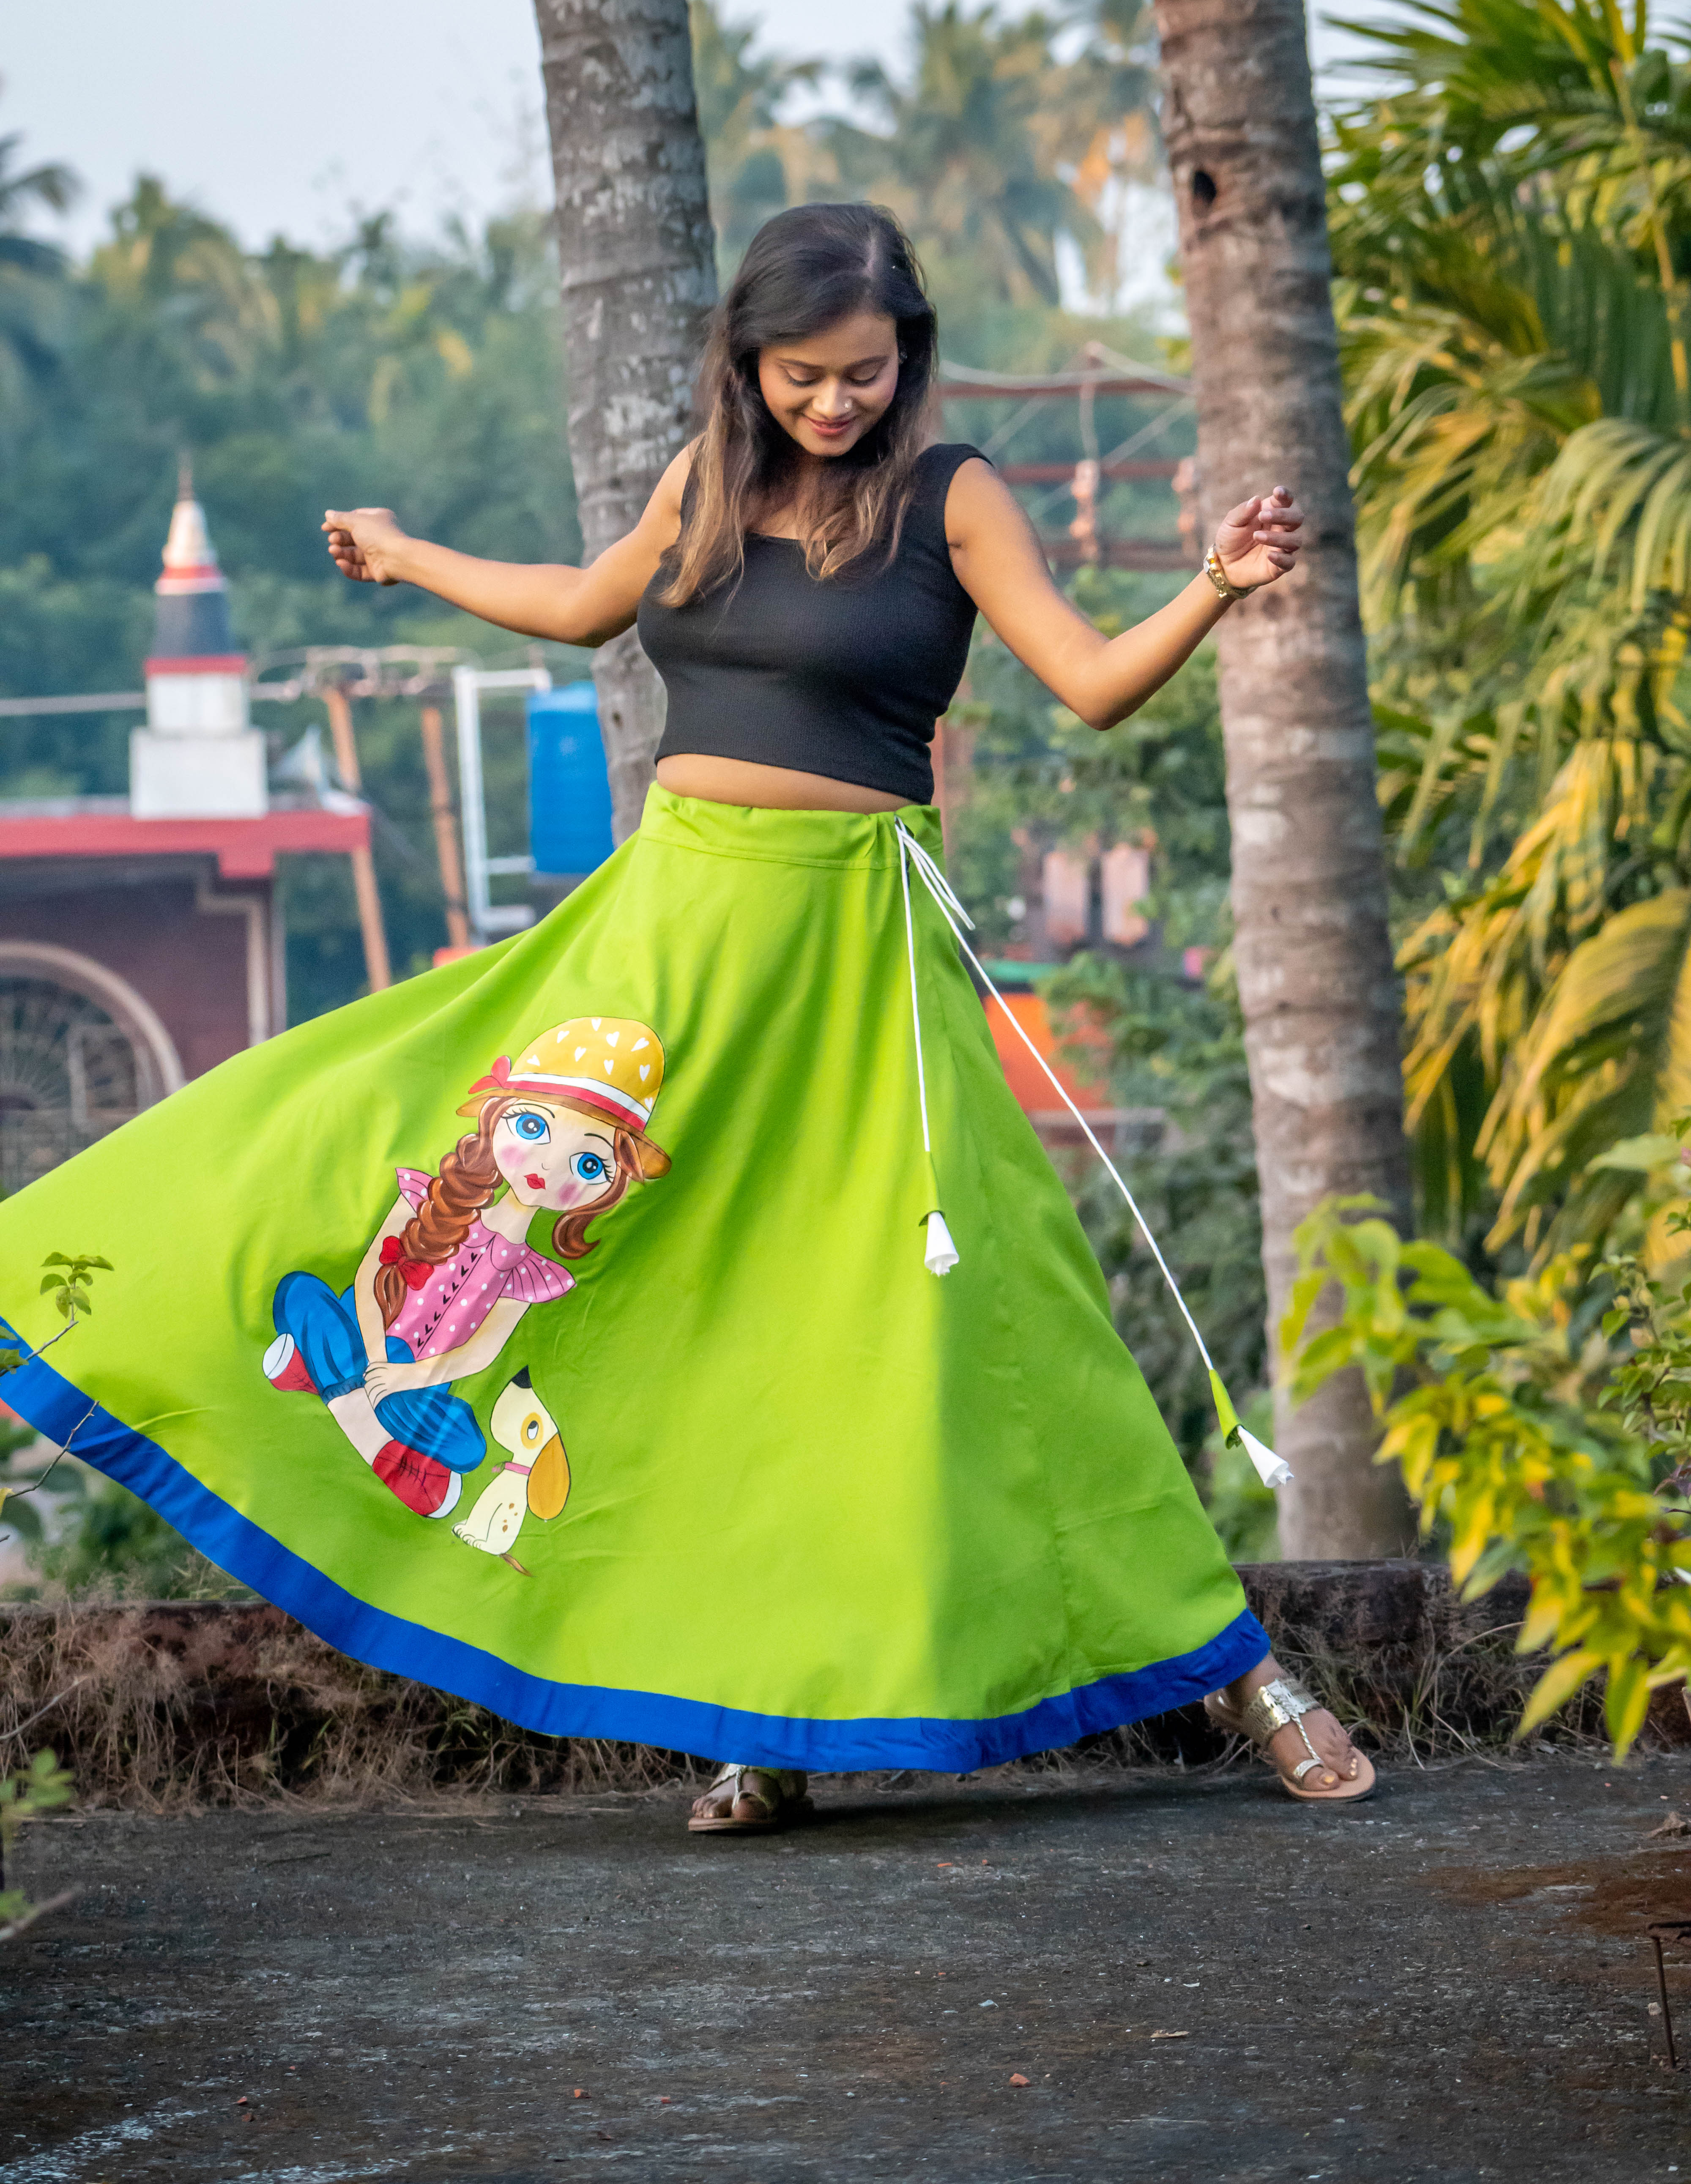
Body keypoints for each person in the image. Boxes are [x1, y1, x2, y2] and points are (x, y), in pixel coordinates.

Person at [0, 202, 1369, 1825]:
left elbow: (1087, 680)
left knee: (994, 1312)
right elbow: (587, 607)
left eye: (864, 374)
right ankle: (769, 1722)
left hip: (853, 959)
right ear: (749, 359)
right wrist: (407, 551)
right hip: (667, 941)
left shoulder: (955, 497)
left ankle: (1250, 1674)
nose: (834, 404)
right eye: (803, 374)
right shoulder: (709, 477)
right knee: (528, 1215)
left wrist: (1214, 580)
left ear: (905, 361)